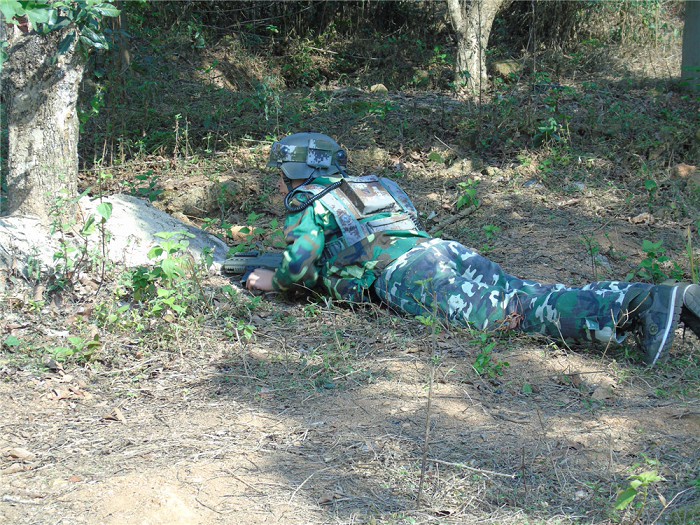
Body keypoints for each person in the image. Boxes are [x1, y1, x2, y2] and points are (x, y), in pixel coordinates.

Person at [246, 132, 700, 366]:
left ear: (294, 174)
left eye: (281, 177)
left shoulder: (310, 201)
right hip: (441, 251)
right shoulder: (369, 186)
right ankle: (649, 297)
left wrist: (275, 280)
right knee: (528, 291)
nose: (280, 185)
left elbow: (299, 265)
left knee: (514, 313)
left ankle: (640, 308)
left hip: (407, 274)